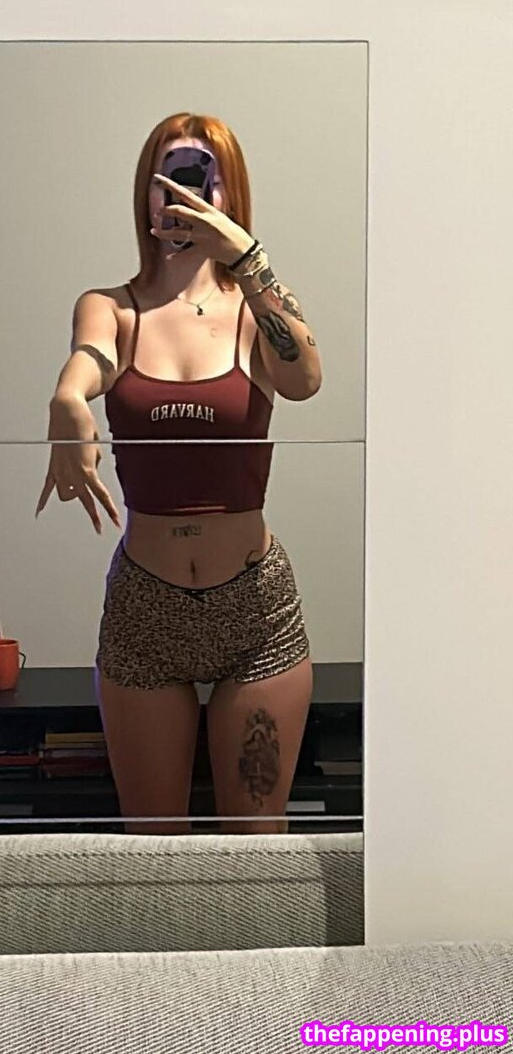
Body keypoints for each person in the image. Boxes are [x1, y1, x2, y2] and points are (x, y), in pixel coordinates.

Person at [36, 113, 323, 833]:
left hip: (255, 608)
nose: (186, 193)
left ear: (232, 194)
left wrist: (247, 258)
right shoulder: (113, 307)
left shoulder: (254, 314)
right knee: (155, 845)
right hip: (146, 606)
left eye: (204, 176)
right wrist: (67, 398)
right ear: (146, 192)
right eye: (170, 175)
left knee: (257, 843)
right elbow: (91, 359)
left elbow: (305, 380)